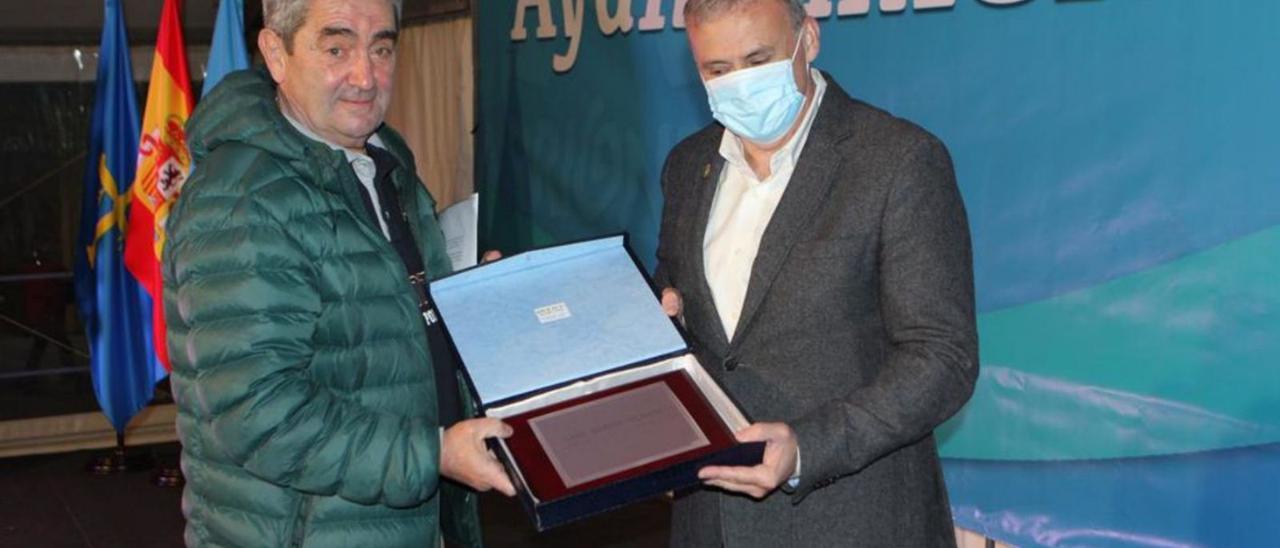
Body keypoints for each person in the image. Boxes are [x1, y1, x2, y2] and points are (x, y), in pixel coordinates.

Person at [163, 0, 512, 546]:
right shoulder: (242, 197)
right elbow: (260, 413)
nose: (365, 76)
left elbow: (381, 329)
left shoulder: (381, 160)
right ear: (276, 54)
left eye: (382, 48)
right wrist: (432, 454)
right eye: (336, 47)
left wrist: (470, 298)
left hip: (407, 520)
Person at [654, 0, 980, 545]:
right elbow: (682, 307)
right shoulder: (688, 166)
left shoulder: (898, 160)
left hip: (854, 519)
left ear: (807, 38)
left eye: (758, 59)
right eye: (717, 70)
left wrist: (808, 446)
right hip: (709, 523)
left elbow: (943, 357)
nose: (740, 83)